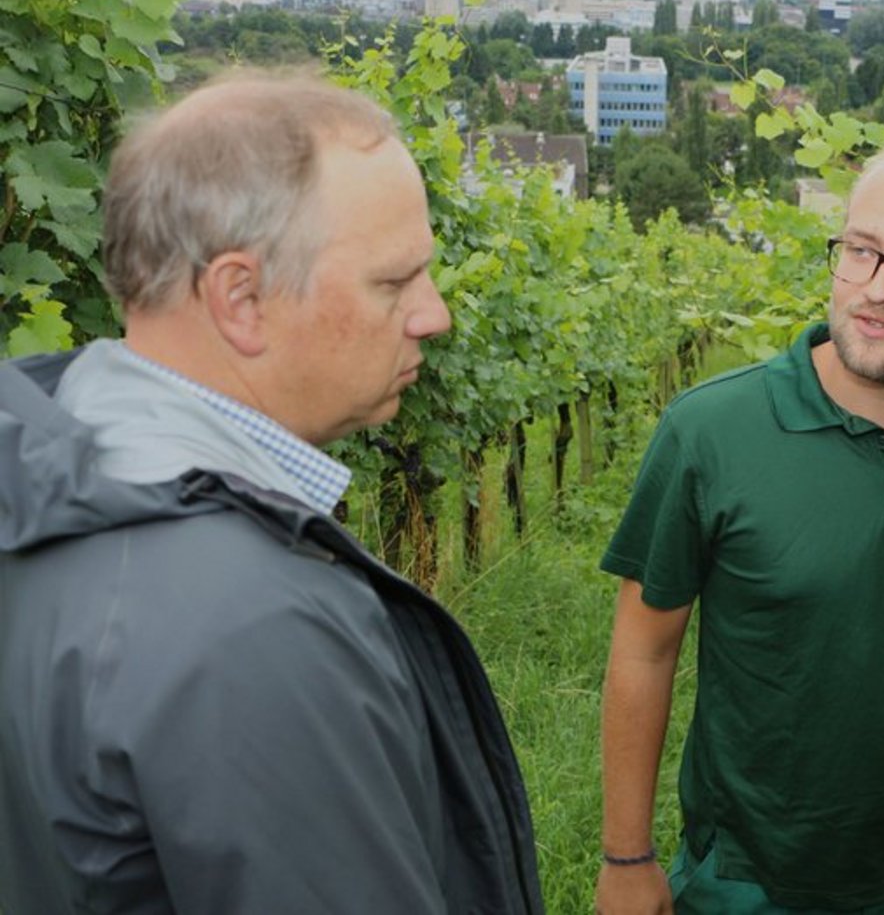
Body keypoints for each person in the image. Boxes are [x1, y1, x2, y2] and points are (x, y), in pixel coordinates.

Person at [0, 74, 544, 914]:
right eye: (395, 282)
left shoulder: (38, 476)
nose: (433, 315)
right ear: (242, 299)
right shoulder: (254, 625)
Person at [594, 130, 884, 915]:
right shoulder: (711, 433)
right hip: (745, 882)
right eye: (861, 250)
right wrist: (626, 856)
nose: (877, 287)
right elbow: (645, 646)